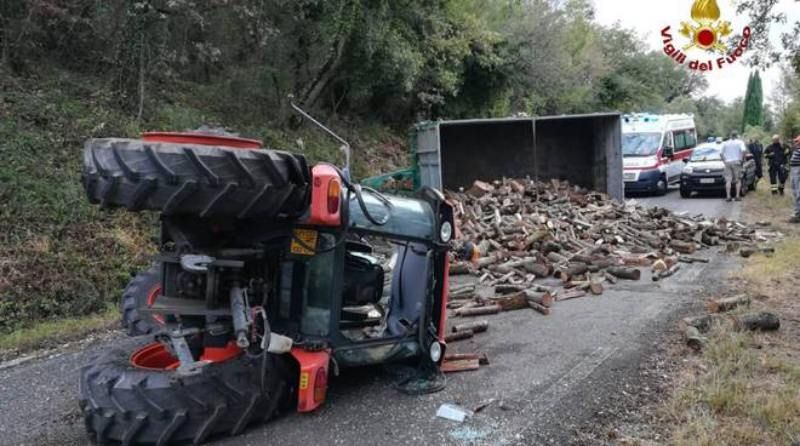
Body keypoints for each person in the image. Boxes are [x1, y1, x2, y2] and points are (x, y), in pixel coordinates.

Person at [720, 131, 748, 202]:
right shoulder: (740, 142)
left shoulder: (725, 143)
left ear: (730, 136)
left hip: (728, 162)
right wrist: (742, 159)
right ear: (736, 136)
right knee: (738, 180)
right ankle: (737, 196)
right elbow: (744, 151)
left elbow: (721, 153)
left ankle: (728, 196)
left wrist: (724, 161)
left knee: (728, 180)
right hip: (736, 162)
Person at [790, 136, 800, 223]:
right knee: (794, 191)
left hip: (798, 170)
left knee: (798, 193)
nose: (795, 143)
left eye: (797, 142)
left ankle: (798, 214)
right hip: (794, 170)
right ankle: (796, 212)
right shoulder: (796, 150)